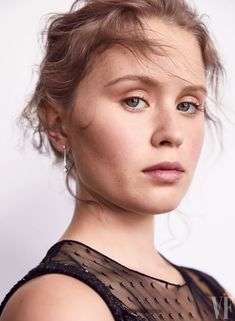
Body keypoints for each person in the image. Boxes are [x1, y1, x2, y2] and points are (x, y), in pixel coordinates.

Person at [0, 0, 234, 320]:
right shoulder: (61, 306)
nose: (172, 133)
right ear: (58, 124)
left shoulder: (215, 297)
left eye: (187, 105)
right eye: (134, 100)